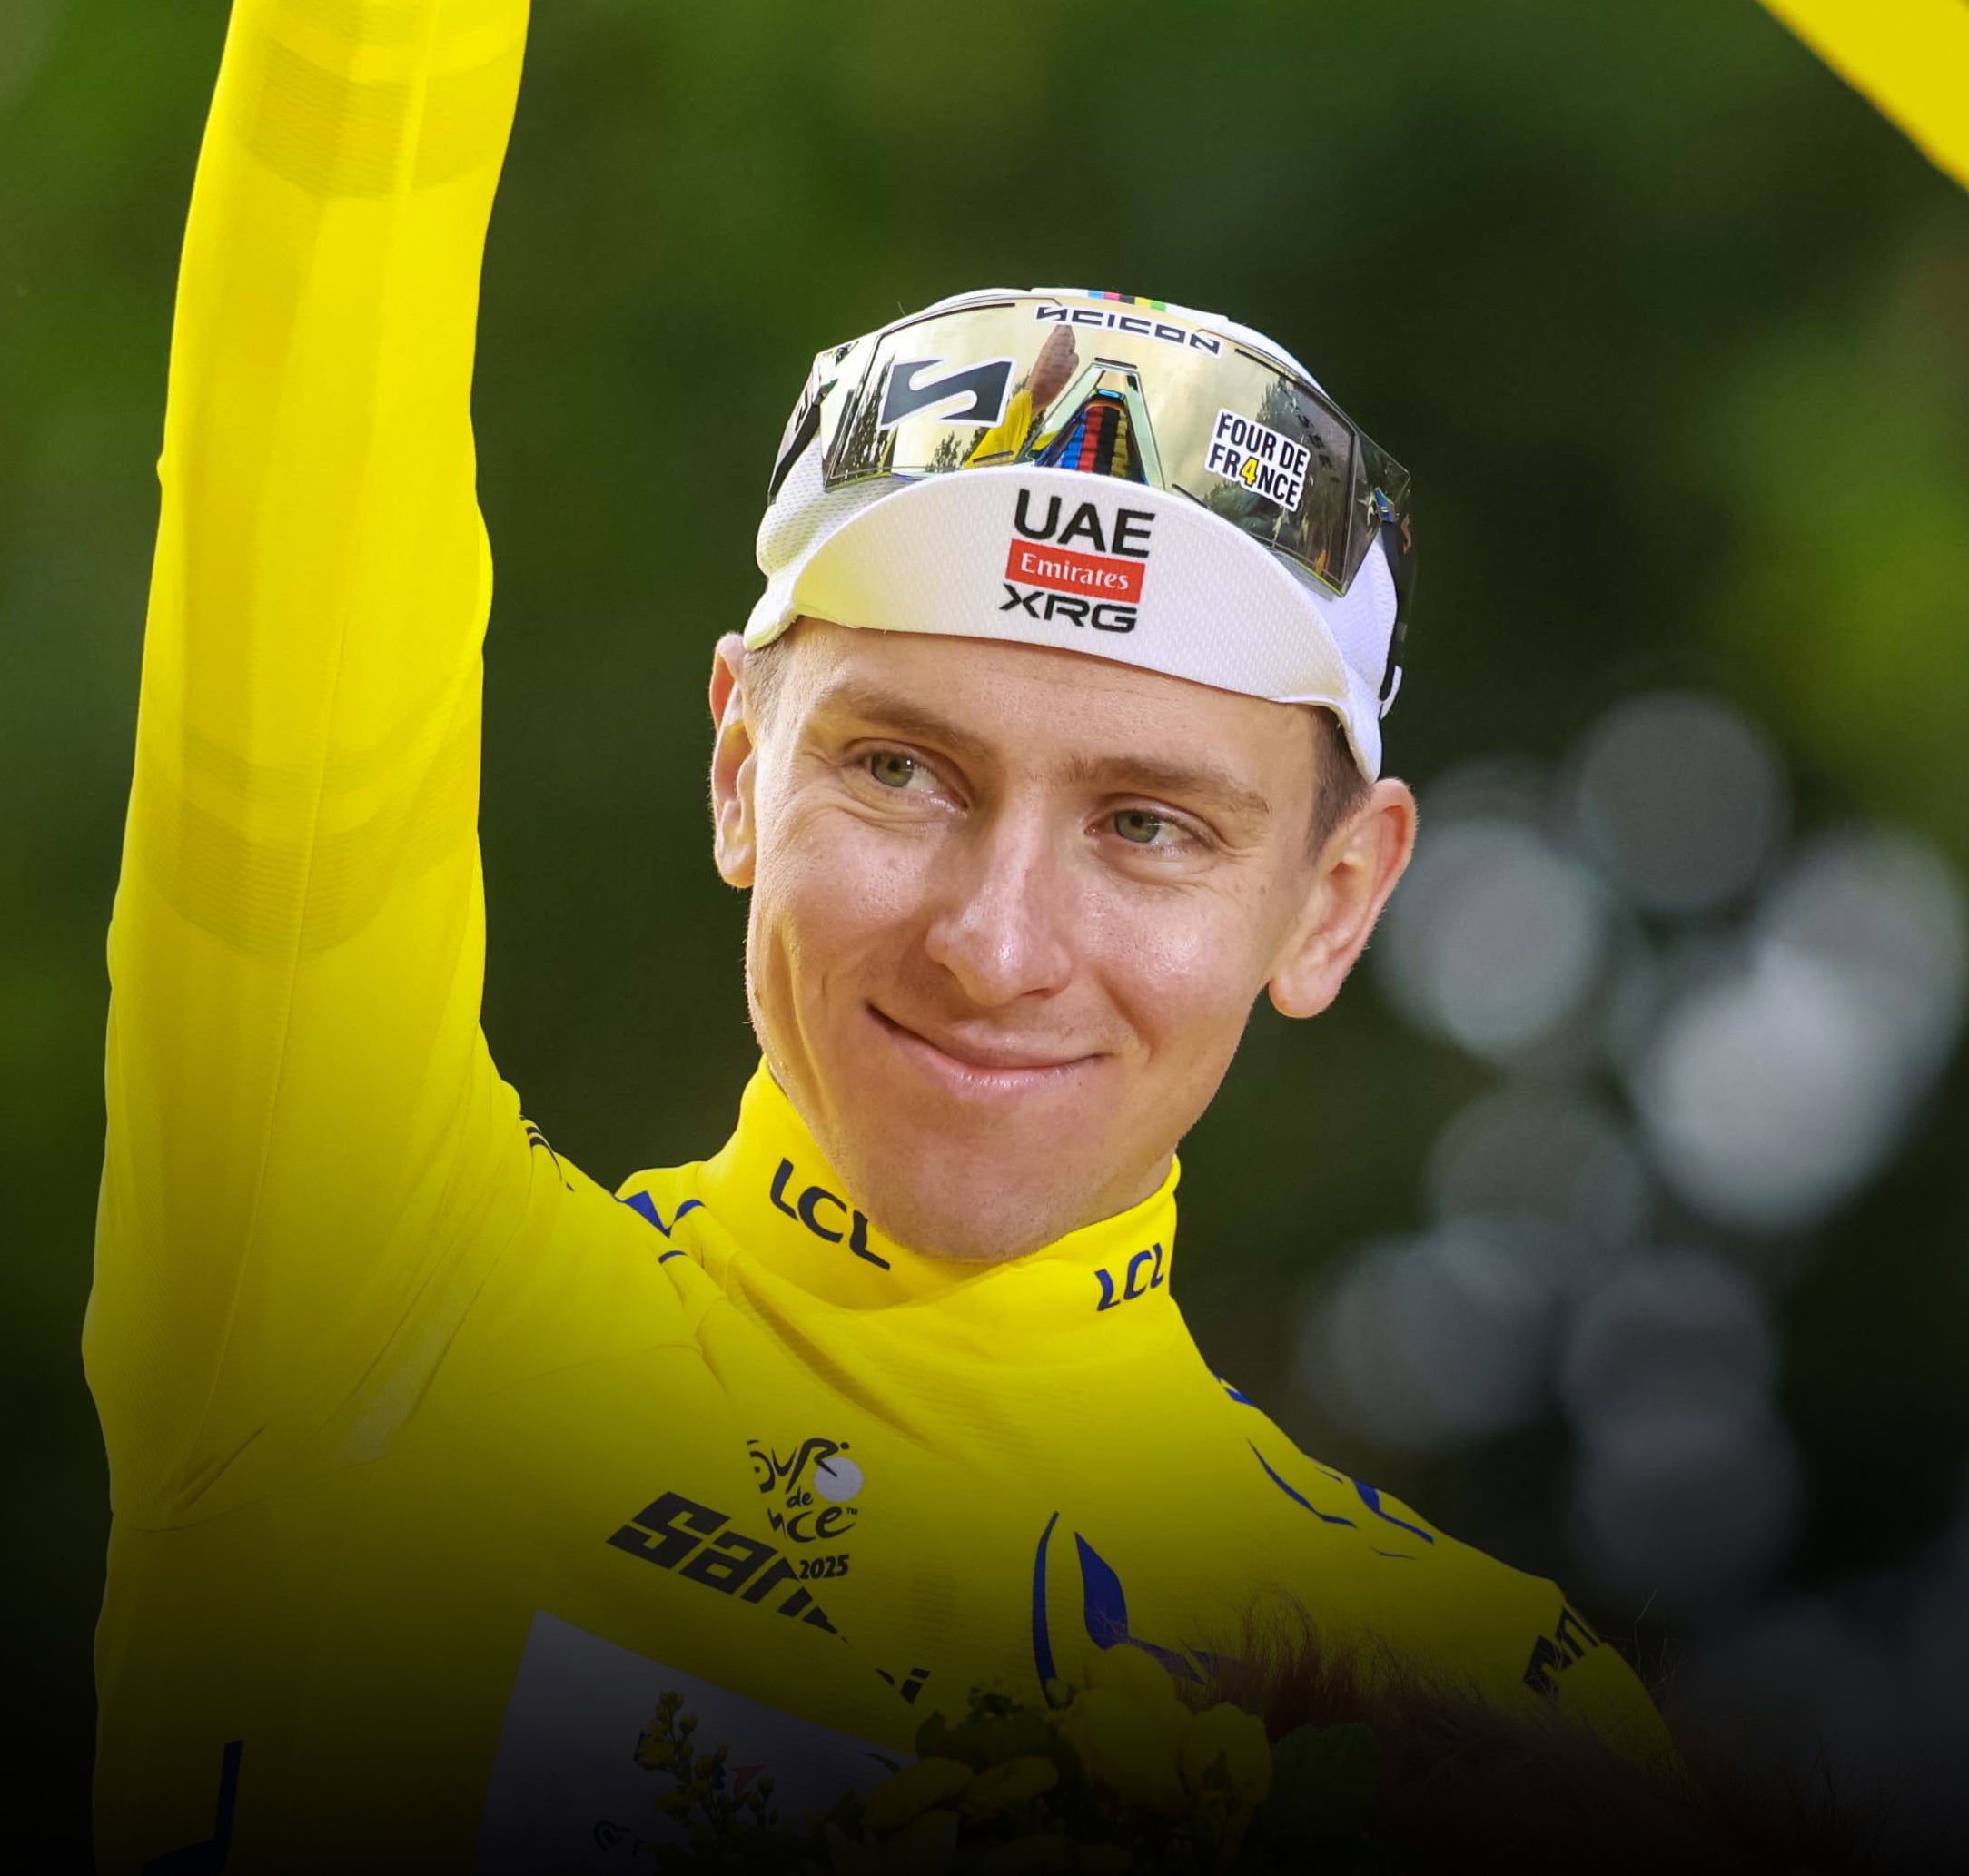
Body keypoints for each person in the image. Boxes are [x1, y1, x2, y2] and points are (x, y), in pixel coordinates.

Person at [86, 2, 1666, 1866]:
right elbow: (309, 449)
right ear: (740, 769)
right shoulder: (358, 1302)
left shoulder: (1491, 1710)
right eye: (902, 770)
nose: (996, 944)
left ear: (1334, 899)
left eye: (1148, 826)